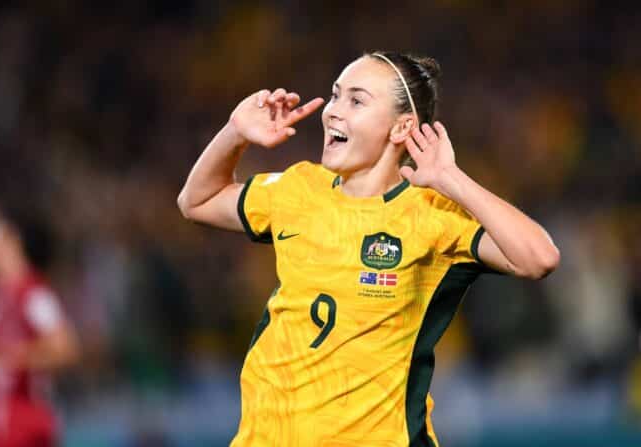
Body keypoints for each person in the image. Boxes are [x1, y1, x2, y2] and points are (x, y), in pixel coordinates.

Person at [178, 51, 560, 446]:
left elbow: (539, 258)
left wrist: (451, 179)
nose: (332, 111)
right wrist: (234, 132)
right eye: (335, 95)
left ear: (401, 129)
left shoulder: (430, 213)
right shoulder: (298, 189)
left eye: (356, 100)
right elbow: (197, 202)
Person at [0, 204, 79, 447]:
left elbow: (65, 347)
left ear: (11, 237)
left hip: (26, 430)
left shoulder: (34, 293)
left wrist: (10, 357)